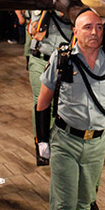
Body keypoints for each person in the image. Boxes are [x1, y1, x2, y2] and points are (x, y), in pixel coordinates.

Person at [34, 10, 105, 210]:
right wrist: (42, 141)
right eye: (88, 27)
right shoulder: (63, 59)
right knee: (64, 204)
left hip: (97, 145)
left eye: (99, 27)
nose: (94, 32)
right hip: (66, 143)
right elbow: (43, 102)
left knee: (85, 203)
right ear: (75, 31)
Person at [28, 9, 73, 165]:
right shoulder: (42, 7)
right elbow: (36, 33)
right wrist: (47, 11)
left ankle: (54, 143)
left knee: (58, 104)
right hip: (40, 59)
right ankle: (41, 142)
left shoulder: (75, 10)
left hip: (63, 64)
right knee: (40, 101)